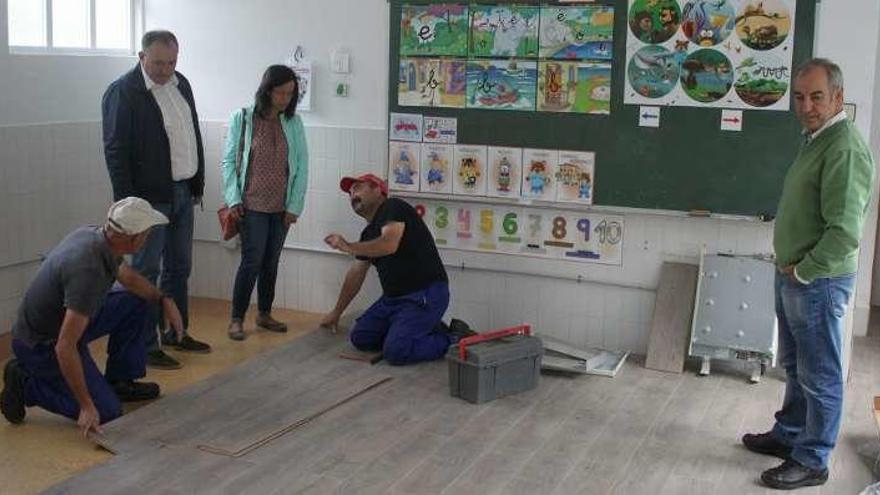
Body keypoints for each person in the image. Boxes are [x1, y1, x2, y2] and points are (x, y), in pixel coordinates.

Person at [742, 58, 875, 490]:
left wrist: (804, 272)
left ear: (837, 96)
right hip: (798, 276)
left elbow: (845, 232)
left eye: (817, 96)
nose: (807, 105)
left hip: (817, 280)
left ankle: (814, 460)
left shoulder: (845, 146)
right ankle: (790, 436)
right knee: (797, 366)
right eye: (799, 97)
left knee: (821, 374)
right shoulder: (816, 138)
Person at [1, 198, 185, 437]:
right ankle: (25, 384)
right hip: (41, 345)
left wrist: (163, 300)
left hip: (68, 323)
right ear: (131, 238)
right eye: (146, 233)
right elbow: (65, 347)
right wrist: (87, 406)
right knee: (107, 413)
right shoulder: (88, 272)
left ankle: (121, 381)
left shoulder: (98, 237)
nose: (148, 238)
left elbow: (127, 278)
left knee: (136, 301)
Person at [102, 30, 211, 369]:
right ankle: (145, 345)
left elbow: (190, 136)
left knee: (180, 267)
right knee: (146, 271)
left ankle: (177, 332)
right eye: (159, 63)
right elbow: (115, 151)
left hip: (182, 191)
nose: (166, 70)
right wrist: (128, 207)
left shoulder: (182, 85)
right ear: (141, 57)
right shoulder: (124, 91)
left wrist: (196, 182)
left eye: (172, 62)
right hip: (147, 201)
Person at [321, 174, 473, 365]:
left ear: (378, 189)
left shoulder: (394, 207)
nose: (352, 196)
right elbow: (356, 274)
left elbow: (389, 244)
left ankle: (455, 338)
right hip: (392, 301)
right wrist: (336, 312)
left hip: (425, 295)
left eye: (358, 188)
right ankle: (425, 329)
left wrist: (348, 246)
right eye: (350, 193)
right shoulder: (368, 234)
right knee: (360, 337)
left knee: (396, 352)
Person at [221, 65, 309, 340]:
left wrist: (295, 205)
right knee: (252, 261)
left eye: (290, 93)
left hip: (281, 207)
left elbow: (302, 165)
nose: (285, 98)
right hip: (251, 205)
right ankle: (236, 318)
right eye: (280, 92)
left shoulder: (294, 123)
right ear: (267, 90)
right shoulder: (243, 118)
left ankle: (264, 314)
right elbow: (228, 161)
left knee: (271, 262)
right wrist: (233, 198)